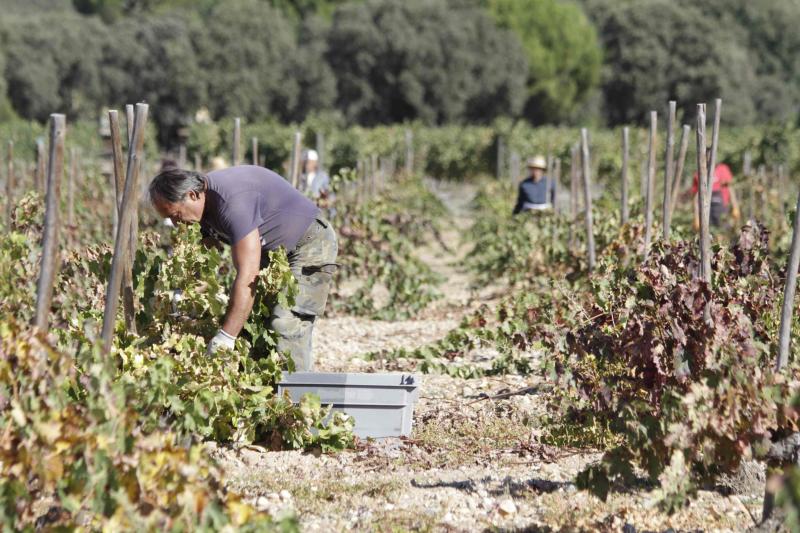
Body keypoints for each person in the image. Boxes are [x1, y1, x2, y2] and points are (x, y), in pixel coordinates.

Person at [148, 165, 338, 371]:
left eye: (176, 215)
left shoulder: (231, 203)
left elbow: (248, 275)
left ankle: (298, 397)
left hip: (309, 243)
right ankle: (272, 393)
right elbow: (206, 259)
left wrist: (225, 338)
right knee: (254, 325)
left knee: (285, 323)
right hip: (273, 255)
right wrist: (183, 294)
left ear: (193, 195)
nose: (176, 224)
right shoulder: (200, 211)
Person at [691, 158, 741, 229]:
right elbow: (695, 197)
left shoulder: (723, 169)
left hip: (722, 207)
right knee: (709, 231)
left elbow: (730, 188)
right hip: (706, 209)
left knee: (723, 229)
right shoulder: (699, 173)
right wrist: (696, 217)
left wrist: (735, 206)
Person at [301, 149, 335, 218]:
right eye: (306, 162)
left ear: (315, 163)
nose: (307, 165)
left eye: (309, 162)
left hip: (319, 212)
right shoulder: (300, 177)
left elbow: (329, 193)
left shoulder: (322, 176)